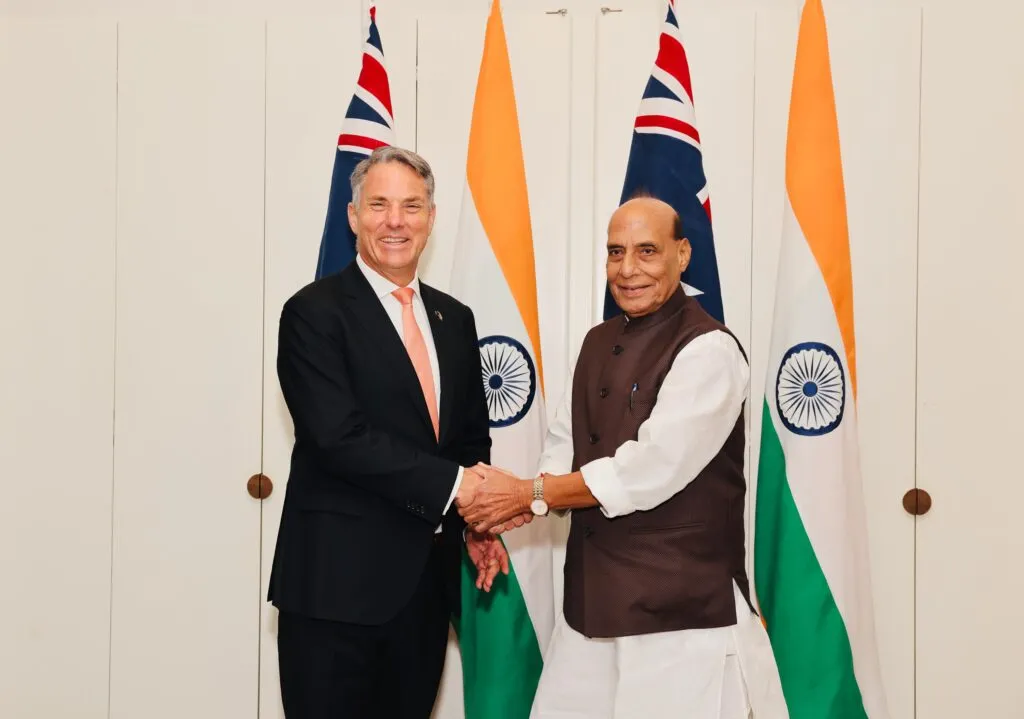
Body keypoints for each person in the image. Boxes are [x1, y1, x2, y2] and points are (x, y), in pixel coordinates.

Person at [458, 196, 789, 718]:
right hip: (589, 613)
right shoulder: (596, 342)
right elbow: (563, 452)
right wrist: (509, 512)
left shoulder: (710, 350)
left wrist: (527, 494)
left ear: (682, 255)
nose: (628, 269)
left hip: (680, 618)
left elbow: (649, 469)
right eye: (615, 253)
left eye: (647, 251)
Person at [267, 146, 506, 719]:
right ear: (353, 216)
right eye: (378, 205)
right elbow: (337, 437)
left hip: (423, 591)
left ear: (430, 218)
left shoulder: (456, 319)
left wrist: (477, 522)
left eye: (411, 206)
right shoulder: (313, 313)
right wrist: (458, 488)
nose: (395, 221)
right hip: (334, 593)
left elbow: (470, 439)